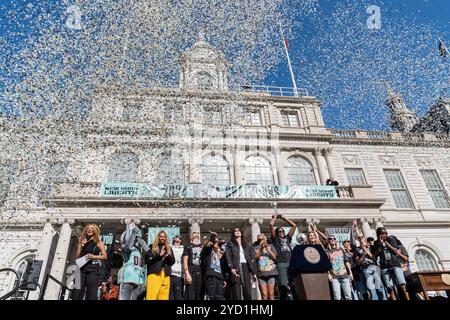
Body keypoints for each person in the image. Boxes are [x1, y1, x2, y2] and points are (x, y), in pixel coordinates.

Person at [372, 227, 410, 300]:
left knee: (402, 285)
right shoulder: (376, 243)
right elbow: (375, 256)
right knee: (390, 288)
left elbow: (395, 251)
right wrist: (380, 244)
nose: (385, 235)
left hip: (395, 264)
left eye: (386, 233)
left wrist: (386, 243)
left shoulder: (391, 239)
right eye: (382, 233)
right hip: (384, 266)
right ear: (378, 234)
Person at [73, 224, 108, 300]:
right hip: (81, 269)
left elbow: (105, 256)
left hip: (93, 269)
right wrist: (81, 246)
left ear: (95, 231)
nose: (89, 229)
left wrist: (94, 256)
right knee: (77, 292)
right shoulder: (82, 241)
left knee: (91, 294)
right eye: (88, 228)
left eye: (92, 228)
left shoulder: (99, 242)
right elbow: (77, 257)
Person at [269, 214, 296, 300]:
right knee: (283, 285)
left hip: (291, 263)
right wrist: (274, 218)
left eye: (282, 231)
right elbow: (271, 225)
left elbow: (294, 225)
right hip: (281, 264)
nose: (281, 233)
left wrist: (284, 218)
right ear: (277, 233)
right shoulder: (275, 239)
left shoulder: (288, 238)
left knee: (294, 284)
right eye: (279, 231)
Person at [225, 227, 257, 300]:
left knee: (247, 290)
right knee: (236, 290)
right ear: (233, 233)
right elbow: (228, 256)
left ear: (241, 233)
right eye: (235, 231)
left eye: (239, 230)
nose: (237, 231)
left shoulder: (246, 244)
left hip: (245, 266)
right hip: (236, 266)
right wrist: (231, 268)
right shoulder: (230, 244)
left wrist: (253, 273)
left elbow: (251, 258)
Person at [117, 221, 147, 300]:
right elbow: (128, 245)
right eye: (135, 237)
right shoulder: (126, 249)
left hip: (137, 279)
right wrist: (133, 232)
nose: (136, 239)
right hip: (127, 278)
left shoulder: (138, 252)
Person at [144, 230, 175, 300]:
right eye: (160, 236)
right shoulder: (152, 246)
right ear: (158, 237)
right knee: (151, 297)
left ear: (166, 238)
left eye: (164, 237)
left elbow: (172, 262)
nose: (162, 238)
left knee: (164, 297)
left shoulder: (169, 248)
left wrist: (168, 257)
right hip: (154, 275)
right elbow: (147, 260)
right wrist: (159, 256)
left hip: (166, 275)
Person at [355, 235, 387, 300]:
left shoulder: (372, 247)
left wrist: (366, 251)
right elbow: (358, 262)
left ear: (364, 239)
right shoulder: (357, 249)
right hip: (365, 269)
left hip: (374, 267)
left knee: (379, 286)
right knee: (371, 288)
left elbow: (374, 258)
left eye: (362, 237)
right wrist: (363, 253)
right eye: (359, 238)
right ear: (357, 239)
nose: (361, 239)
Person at [201, 231, 228, 300]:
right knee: (211, 298)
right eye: (216, 243)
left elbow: (222, 268)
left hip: (220, 278)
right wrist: (213, 237)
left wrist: (223, 279)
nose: (217, 245)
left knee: (220, 298)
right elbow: (208, 245)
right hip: (211, 277)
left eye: (218, 244)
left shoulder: (220, 254)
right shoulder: (207, 252)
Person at [327, 234, 353, 300]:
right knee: (337, 297)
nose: (332, 240)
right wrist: (328, 274)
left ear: (335, 240)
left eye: (333, 239)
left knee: (348, 296)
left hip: (344, 275)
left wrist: (350, 272)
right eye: (330, 239)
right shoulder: (327, 251)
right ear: (328, 241)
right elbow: (326, 264)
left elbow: (346, 261)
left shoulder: (341, 249)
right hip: (334, 277)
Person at [254, 234, 278, 300]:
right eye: (258, 235)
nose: (260, 234)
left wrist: (268, 250)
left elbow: (275, 257)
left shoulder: (271, 246)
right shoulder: (255, 248)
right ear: (257, 238)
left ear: (265, 237)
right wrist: (261, 249)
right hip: (261, 273)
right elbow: (255, 258)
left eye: (262, 234)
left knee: (271, 294)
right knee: (264, 295)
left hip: (271, 272)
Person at [183, 231, 204, 300]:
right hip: (191, 271)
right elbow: (185, 260)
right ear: (191, 236)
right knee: (190, 294)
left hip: (201, 271)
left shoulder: (202, 246)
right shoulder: (188, 246)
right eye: (194, 233)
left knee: (200, 293)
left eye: (198, 233)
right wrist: (187, 273)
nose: (196, 234)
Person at [170, 235, 184, 300]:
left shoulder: (183, 249)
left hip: (179, 275)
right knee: (170, 295)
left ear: (180, 240)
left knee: (178, 296)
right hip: (170, 274)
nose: (177, 238)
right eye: (175, 237)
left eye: (178, 237)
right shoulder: (170, 247)